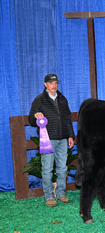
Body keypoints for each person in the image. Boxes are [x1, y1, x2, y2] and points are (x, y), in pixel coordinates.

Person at [28, 74, 75, 207]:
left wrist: (71, 136)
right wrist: (35, 116)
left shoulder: (63, 99)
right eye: (51, 83)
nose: (54, 85)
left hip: (63, 139)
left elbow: (67, 119)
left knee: (62, 167)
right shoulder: (39, 100)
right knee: (47, 168)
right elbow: (31, 119)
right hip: (47, 139)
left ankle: (60, 193)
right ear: (45, 84)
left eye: (55, 83)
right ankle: (49, 196)